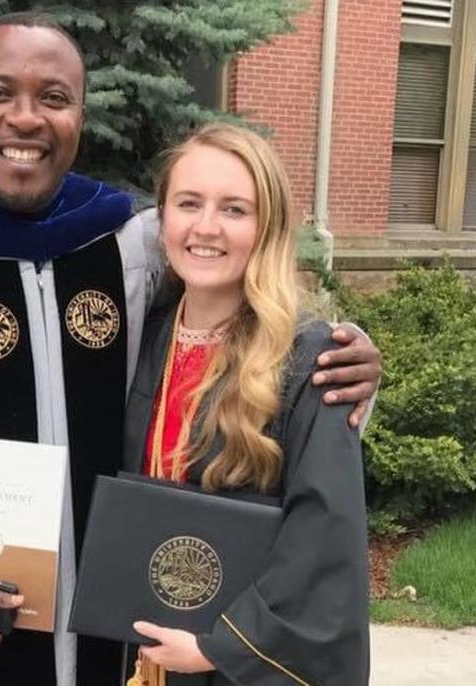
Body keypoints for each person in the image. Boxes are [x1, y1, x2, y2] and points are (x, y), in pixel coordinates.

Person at [0, 12, 380, 686]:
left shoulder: (129, 244)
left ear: (80, 115)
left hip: (121, 632)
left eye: (53, 98)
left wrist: (349, 354)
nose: (25, 119)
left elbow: (244, 316)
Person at [121, 123, 369, 686]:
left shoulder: (311, 361)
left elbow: (325, 540)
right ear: (163, 221)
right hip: (142, 642)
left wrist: (220, 647)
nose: (206, 227)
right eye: (189, 204)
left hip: (231, 660)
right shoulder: (144, 336)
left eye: (235, 209)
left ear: (268, 229)